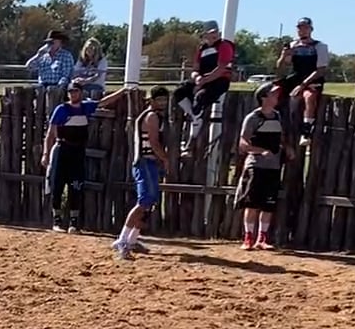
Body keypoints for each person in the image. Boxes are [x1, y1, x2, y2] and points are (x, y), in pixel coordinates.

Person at [41, 77, 132, 234]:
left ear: (81, 93)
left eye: (76, 91)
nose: (73, 94)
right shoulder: (62, 109)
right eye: (71, 91)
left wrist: (122, 91)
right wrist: (46, 153)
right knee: (57, 185)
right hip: (63, 150)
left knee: (76, 185)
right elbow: (50, 133)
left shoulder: (85, 107)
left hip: (78, 152)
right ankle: (56, 221)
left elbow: (103, 102)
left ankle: (74, 223)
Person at [113, 84, 172, 261]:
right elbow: (153, 142)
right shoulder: (152, 116)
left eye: (164, 99)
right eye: (159, 99)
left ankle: (131, 239)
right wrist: (165, 158)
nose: (162, 103)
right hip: (145, 161)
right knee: (144, 200)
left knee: (148, 202)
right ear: (151, 100)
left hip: (149, 162)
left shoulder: (152, 116)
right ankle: (123, 240)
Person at [236, 81, 294, 251]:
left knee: (268, 204)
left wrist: (287, 148)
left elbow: (280, 138)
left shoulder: (277, 116)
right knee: (252, 204)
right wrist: (260, 151)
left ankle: (262, 238)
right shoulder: (253, 118)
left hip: (274, 167)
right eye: (273, 94)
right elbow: (242, 144)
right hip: (256, 166)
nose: (276, 97)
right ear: (263, 97)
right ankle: (248, 238)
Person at [172, 21, 236, 156]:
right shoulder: (202, 49)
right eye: (210, 33)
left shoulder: (224, 46)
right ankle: (194, 116)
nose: (213, 36)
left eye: (215, 33)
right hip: (202, 80)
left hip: (219, 81)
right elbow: (195, 69)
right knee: (179, 92)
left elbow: (221, 69)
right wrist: (197, 78)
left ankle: (192, 137)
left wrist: (203, 81)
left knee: (200, 97)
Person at [278, 18, 330, 139]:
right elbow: (281, 67)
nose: (302, 31)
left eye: (305, 28)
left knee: (309, 96)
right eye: (300, 28)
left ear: (311, 29)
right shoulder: (293, 45)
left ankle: (306, 129)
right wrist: (284, 55)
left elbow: (321, 69)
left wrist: (303, 85)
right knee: (274, 92)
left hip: (312, 79)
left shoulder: (319, 46)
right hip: (296, 77)